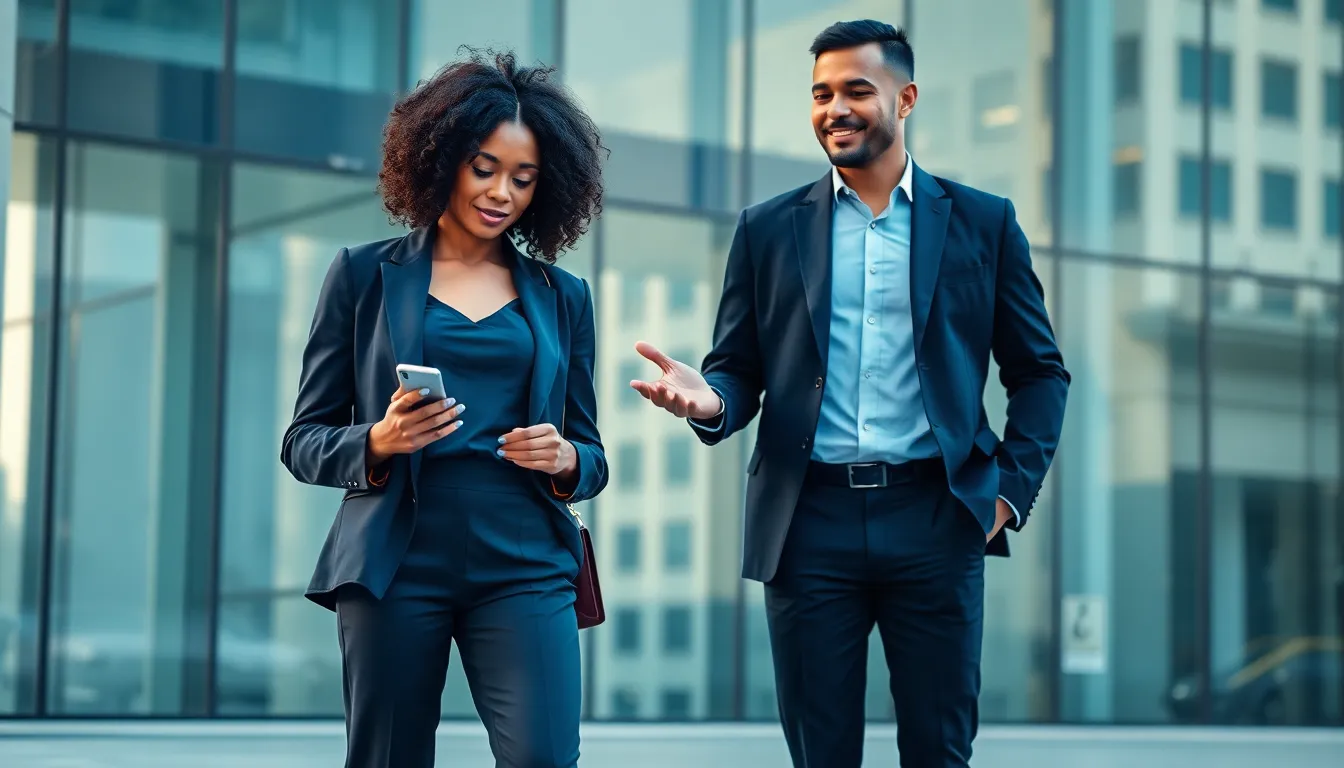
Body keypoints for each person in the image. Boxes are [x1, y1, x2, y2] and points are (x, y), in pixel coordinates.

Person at [631, 20, 1069, 767]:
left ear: (906, 98)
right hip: (809, 524)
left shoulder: (983, 224)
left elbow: (1040, 373)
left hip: (937, 516)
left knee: (940, 750)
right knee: (820, 754)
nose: (835, 107)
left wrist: (1005, 495)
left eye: (856, 90)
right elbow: (735, 368)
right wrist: (711, 405)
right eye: (821, 93)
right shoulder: (767, 229)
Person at [280, 49, 608, 768]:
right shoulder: (363, 276)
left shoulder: (563, 297)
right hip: (398, 558)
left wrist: (565, 459)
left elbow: (592, 454)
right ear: (444, 158)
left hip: (524, 557)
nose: (502, 193)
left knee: (545, 757)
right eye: (484, 167)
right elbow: (303, 439)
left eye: (523, 178)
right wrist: (381, 439)